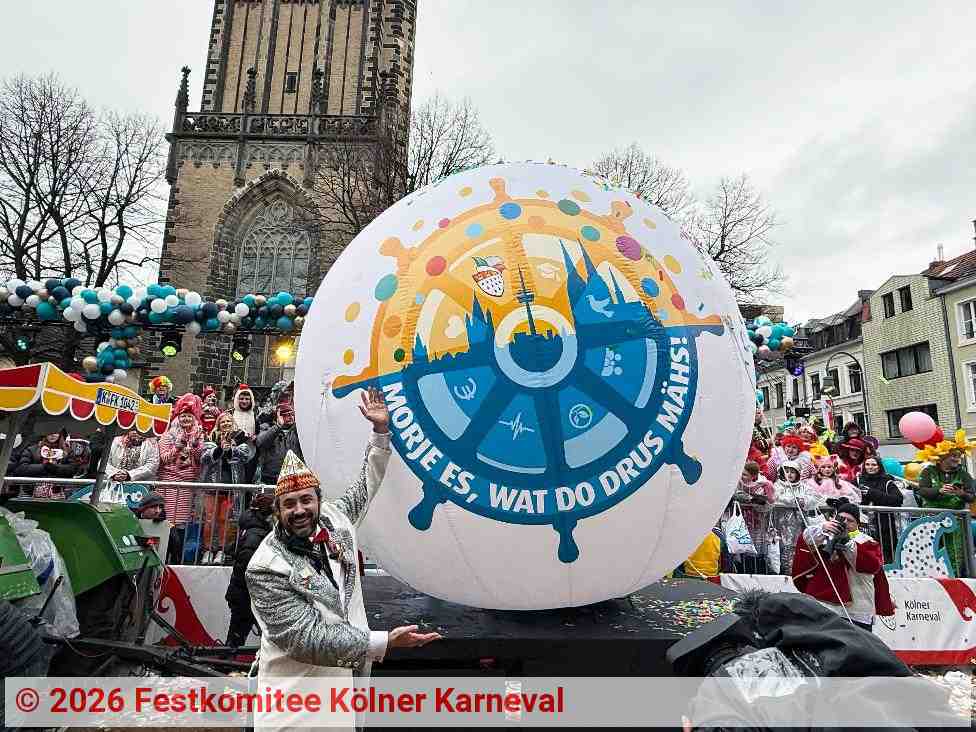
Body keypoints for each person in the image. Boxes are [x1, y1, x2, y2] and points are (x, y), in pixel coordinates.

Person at [246, 388, 440, 732]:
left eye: (306, 500)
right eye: (289, 504)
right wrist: (382, 642)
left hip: (344, 692)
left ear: (319, 501)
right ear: (277, 511)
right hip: (294, 704)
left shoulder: (335, 520)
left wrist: (381, 432)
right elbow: (307, 639)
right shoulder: (265, 567)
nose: (300, 510)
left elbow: (366, 483)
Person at [793, 501, 895, 631]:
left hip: (856, 612)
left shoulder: (866, 541)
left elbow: (870, 565)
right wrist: (823, 528)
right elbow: (805, 540)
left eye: (850, 520)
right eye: (841, 519)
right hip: (824, 607)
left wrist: (846, 542)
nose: (845, 523)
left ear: (858, 524)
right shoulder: (824, 536)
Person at [200, 412, 256, 562]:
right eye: (222, 422)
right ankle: (208, 550)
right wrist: (219, 449)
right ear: (218, 425)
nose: (225, 424)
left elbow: (246, 456)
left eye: (228, 421)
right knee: (210, 521)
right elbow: (204, 458)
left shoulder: (240, 442)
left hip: (231, 490)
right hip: (213, 489)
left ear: (233, 424)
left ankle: (222, 550)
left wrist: (230, 449)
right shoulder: (211, 439)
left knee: (227, 521)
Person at [917, 442, 976, 576]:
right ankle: (931, 577)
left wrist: (962, 494)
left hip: (955, 521)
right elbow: (922, 491)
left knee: (955, 552)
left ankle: (953, 579)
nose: (957, 459)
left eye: (958, 456)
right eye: (953, 456)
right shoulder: (928, 471)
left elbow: (972, 497)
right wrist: (939, 490)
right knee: (930, 549)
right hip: (931, 520)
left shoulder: (963, 475)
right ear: (943, 457)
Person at [224, 492, 274, 647]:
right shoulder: (257, 535)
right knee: (236, 641)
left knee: (235, 640)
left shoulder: (252, 530)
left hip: (244, 596)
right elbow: (248, 567)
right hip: (247, 598)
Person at [157, 393, 206, 532]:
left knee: (182, 524)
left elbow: (199, 459)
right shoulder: (168, 435)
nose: (186, 418)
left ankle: (177, 551)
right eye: (183, 415)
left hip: (187, 486)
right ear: (178, 418)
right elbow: (163, 458)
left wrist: (196, 445)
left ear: (194, 418)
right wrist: (177, 447)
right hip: (168, 484)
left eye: (189, 416)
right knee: (166, 522)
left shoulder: (198, 435)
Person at [770, 461, 824, 575]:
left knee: (795, 549)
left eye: (792, 472)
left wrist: (803, 501)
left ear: (798, 474)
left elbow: (816, 498)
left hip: (798, 524)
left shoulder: (804, 487)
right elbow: (775, 498)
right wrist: (794, 501)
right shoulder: (777, 485)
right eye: (787, 471)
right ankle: (782, 574)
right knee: (780, 549)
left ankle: (793, 573)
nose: (789, 474)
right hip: (780, 523)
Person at [858, 456, 904, 564]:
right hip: (864, 525)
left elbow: (898, 499)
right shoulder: (858, 480)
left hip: (885, 525)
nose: (870, 467)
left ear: (879, 467)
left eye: (874, 465)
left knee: (887, 553)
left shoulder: (887, 481)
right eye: (867, 464)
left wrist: (872, 493)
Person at [9, 430, 78, 498]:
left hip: (59, 493)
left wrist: (55, 468)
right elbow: (21, 469)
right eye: (49, 432)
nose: (52, 434)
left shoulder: (67, 451)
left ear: (61, 434)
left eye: (56, 432)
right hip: (31, 493)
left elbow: (73, 469)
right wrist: (44, 467)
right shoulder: (32, 449)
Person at [255, 401, 302, 483]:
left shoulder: (298, 431)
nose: (290, 417)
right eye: (285, 414)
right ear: (277, 416)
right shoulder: (266, 428)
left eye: (292, 414)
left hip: (294, 477)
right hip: (271, 478)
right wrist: (278, 426)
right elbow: (261, 443)